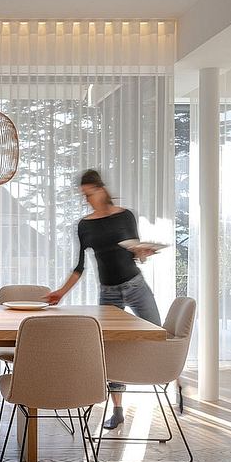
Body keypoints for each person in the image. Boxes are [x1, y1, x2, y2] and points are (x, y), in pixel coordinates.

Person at [45, 169, 162, 430]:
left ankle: (171, 380)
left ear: (101, 189)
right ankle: (117, 409)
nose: (87, 199)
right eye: (84, 196)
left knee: (158, 332)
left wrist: (143, 252)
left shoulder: (125, 216)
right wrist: (60, 293)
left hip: (135, 285)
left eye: (90, 194)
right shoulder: (85, 225)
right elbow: (80, 266)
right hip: (108, 292)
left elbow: (134, 252)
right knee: (110, 348)